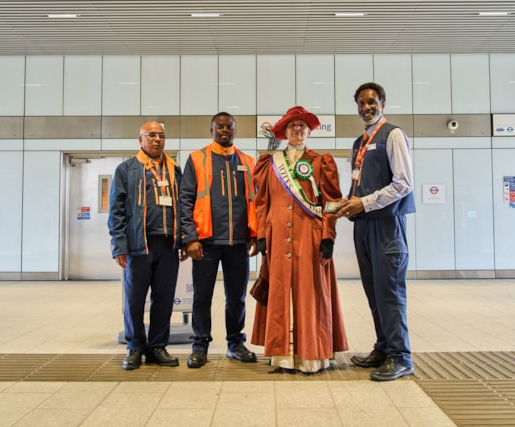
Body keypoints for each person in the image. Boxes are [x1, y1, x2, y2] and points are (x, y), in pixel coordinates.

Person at [251, 106, 348, 374]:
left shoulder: (321, 161)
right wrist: (261, 235)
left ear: (308, 131)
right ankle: (282, 356)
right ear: (284, 131)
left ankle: (312, 355)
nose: (297, 130)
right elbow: (261, 202)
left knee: (311, 294)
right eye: (292, 126)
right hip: (277, 236)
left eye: (302, 126)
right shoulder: (270, 163)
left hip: (310, 236)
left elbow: (331, 202)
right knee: (279, 293)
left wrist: (328, 235)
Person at [336, 82, 416, 381]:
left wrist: (364, 203)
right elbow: (359, 181)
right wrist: (347, 203)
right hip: (364, 226)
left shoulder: (393, 135)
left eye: (371, 101)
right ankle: (383, 347)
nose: (366, 107)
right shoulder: (359, 143)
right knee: (374, 292)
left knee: (390, 293)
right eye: (361, 102)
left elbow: (403, 183)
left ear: (382, 102)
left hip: (387, 227)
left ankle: (401, 356)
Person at [180, 112, 258, 368]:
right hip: (206, 243)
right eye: (220, 127)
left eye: (229, 127)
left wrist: (255, 235)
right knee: (202, 297)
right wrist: (190, 238)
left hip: (238, 244)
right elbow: (186, 200)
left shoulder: (248, 161)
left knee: (237, 298)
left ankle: (235, 343)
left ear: (235, 130)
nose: (225, 130)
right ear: (211, 130)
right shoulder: (197, 159)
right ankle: (200, 345)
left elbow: (256, 202)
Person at [108, 121, 183, 370]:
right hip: (138, 246)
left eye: (161, 136)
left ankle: (158, 347)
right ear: (140, 139)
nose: (157, 140)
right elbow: (116, 211)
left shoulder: (174, 170)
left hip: (167, 244)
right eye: (151, 135)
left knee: (164, 298)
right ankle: (135, 347)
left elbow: (184, 208)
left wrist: (182, 238)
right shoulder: (126, 170)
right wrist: (119, 245)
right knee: (134, 299)